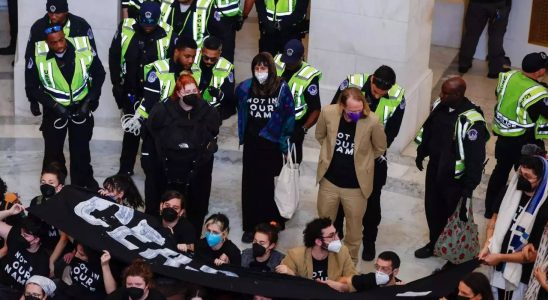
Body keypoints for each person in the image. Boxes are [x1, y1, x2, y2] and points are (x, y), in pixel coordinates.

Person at [331, 65, 406, 261]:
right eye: (375, 92)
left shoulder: (398, 96)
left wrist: (369, 152)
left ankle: (369, 241)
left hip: (374, 157)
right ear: (371, 80)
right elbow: (334, 112)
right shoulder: (352, 83)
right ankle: (336, 237)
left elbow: (391, 132)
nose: (379, 96)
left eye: (383, 93)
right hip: (346, 151)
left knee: (372, 203)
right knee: (339, 199)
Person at [415, 77, 488, 259]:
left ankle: (453, 253)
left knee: (453, 217)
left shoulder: (472, 120)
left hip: (455, 178)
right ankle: (434, 244)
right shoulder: (440, 104)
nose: (440, 95)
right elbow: (429, 129)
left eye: (446, 92)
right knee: (432, 208)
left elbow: (476, 158)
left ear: (458, 94)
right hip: (435, 168)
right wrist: (421, 151)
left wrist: (469, 188)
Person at [25, 27, 106, 190]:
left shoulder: (83, 47)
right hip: (54, 111)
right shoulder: (38, 54)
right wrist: (54, 106)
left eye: (61, 40)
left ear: (65, 36)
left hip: (80, 109)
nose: (60, 45)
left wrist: (89, 100)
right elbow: (32, 86)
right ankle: (53, 186)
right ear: (47, 43)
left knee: (81, 150)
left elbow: (100, 74)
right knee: (52, 152)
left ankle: (81, 186)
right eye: (54, 42)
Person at [315, 87, 387, 263]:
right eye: (352, 111)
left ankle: (350, 262)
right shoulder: (328, 112)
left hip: (356, 187)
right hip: (329, 182)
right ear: (342, 106)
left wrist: (364, 161)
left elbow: (380, 147)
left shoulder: (372, 120)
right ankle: (326, 258)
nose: (357, 113)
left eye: (359, 109)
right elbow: (320, 135)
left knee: (354, 230)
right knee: (325, 226)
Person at [147, 74, 221, 235]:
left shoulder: (208, 111)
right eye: (187, 92)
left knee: (196, 207)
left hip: (196, 169)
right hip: (168, 168)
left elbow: (214, 131)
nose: (192, 95)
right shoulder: (162, 110)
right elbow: (151, 130)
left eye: (194, 90)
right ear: (178, 92)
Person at [133, 36, 197, 216]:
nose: (190, 61)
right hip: (157, 138)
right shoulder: (159, 71)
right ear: (176, 52)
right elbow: (151, 108)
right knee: (154, 184)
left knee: (177, 186)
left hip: (182, 140)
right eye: (187, 56)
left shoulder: (194, 72)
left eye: (193, 57)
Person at [109, 1, 175, 176]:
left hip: (154, 94)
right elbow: (114, 55)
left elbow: (172, 64)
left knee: (154, 133)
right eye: (144, 24)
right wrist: (116, 83)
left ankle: (156, 170)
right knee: (131, 132)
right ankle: (125, 170)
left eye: (151, 24)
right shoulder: (126, 27)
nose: (147, 28)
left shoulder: (168, 34)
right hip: (130, 91)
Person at [236, 52, 295, 243]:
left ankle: (270, 223)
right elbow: (238, 107)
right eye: (257, 68)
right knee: (250, 184)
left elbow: (289, 115)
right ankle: (250, 225)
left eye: (264, 68)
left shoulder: (281, 88)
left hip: (272, 143)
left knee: (270, 186)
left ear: (271, 68)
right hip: (253, 143)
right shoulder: (245, 87)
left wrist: (284, 142)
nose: (260, 72)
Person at [483, 52, 548, 219]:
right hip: (525, 140)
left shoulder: (508, 76)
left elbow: (500, 94)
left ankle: (489, 209)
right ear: (539, 72)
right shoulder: (538, 93)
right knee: (530, 175)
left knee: (500, 171)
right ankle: (520, 214)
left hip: (504, 136)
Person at [478, 154, 548, 300]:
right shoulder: (508, 191)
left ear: (540, 180)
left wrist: (500, 258)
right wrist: (487, 245)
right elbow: (493, 221)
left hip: (519, 274)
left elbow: (533, 254)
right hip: (496, 263)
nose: (521, 179)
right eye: (520, 173)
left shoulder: (544, 207)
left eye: (528, 176)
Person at [25, 0, 98, 117]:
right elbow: (30, 66)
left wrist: (93, 97)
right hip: (51, 102)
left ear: (66, 11)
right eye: (50, 12)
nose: (53, 16)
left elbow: (94, 63)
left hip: (81, 100)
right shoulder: (38, 28)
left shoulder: (81, 26)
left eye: (57, 13)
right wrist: (32, 99)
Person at [273, 39, 322, 163]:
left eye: (292, 62)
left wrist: (303, 130)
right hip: (273, 118)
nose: (288, 64)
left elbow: (316, 109)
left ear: (302, 57)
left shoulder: (309, 77)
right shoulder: (277, 61)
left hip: (294, 124)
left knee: (292, 164)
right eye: (286, 60)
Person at [275, 217, 357, 282]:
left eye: (336, 234)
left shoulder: (343, 252)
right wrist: (293, 276)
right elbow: (283, 283)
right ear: (318, 241)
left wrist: (340, 284)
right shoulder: (295, 255)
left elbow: (353, 281)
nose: (337, 238)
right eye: (331, 236)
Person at [0, 205, 49, 300]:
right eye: (22, 232)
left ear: (36, 239)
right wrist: (9, 212)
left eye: (25, 235)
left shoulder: (42, 263)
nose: (21, 235)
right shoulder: (16, 233)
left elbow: (29, 293)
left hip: (14, 294)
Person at [28, 162, 68, 277]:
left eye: (51, 183)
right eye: (43, 182)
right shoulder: (36, 201)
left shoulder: (65, 205)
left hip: (61, 250)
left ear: (60, 186)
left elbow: (64, 238)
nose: (46, 186)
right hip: (40, 247)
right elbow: (32, 228)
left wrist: (51, 260)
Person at [458, 0, 511, 78]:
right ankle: (495, 70)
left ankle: (464, 64)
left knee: (471, 33)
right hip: (500, 4)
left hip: (477, 4)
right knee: (496, 35)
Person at [190, 36, 235, 118]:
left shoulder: (226, 67)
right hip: (190, 110)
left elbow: (229, 97)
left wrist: (219, 94)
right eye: (206, 58)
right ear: (202, 51)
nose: (209, 62)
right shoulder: (191, 61)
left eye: (213, 59)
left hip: (213, 114)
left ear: (219, 53)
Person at [322, 251, 402, 292]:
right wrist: (341, 287)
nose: (379, 272)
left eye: (384, 269)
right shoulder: (370, 279)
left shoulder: (402, 288)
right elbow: (342, 280)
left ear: (395, 272)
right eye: (377, 267)